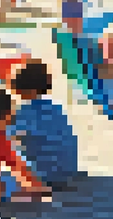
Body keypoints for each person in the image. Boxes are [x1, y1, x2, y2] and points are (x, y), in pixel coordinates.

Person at [7, 59, 80, 189]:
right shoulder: (56, 108)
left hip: (46, 176)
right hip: (68, 171)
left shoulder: (23, 112)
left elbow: (3, 138)